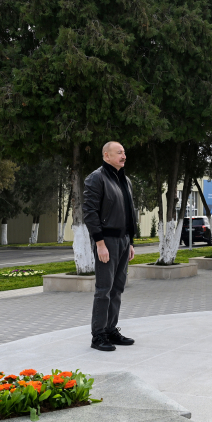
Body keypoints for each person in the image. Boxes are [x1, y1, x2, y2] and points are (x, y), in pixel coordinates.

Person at [83, 141, 137, 352]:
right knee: (104, 290)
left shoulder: (125, 180)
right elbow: (90, 213)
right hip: (107, 241)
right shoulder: (96, 178)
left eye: (124, 152)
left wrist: (130, 241)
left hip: (123, 241)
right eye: (119, 152)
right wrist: (100, 243)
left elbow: (130, 213)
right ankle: (98, 336)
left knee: (117, 288)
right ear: (106, 155)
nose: (124, 156)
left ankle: (110, 329)